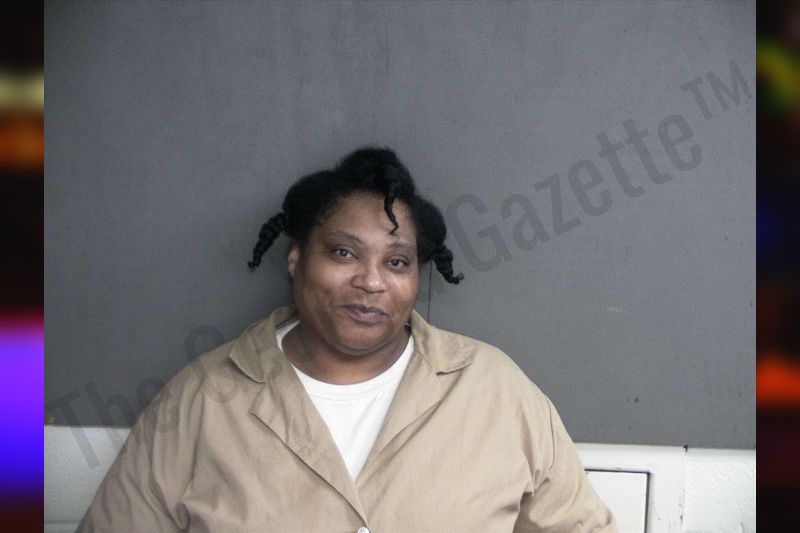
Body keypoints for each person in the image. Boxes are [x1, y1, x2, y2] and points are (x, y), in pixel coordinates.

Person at [78, 147, 616, 532]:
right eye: (343, 252)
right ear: (296, 258)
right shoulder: (199, 400)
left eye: (397, 262)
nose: (371, 281)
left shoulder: (494, 389)